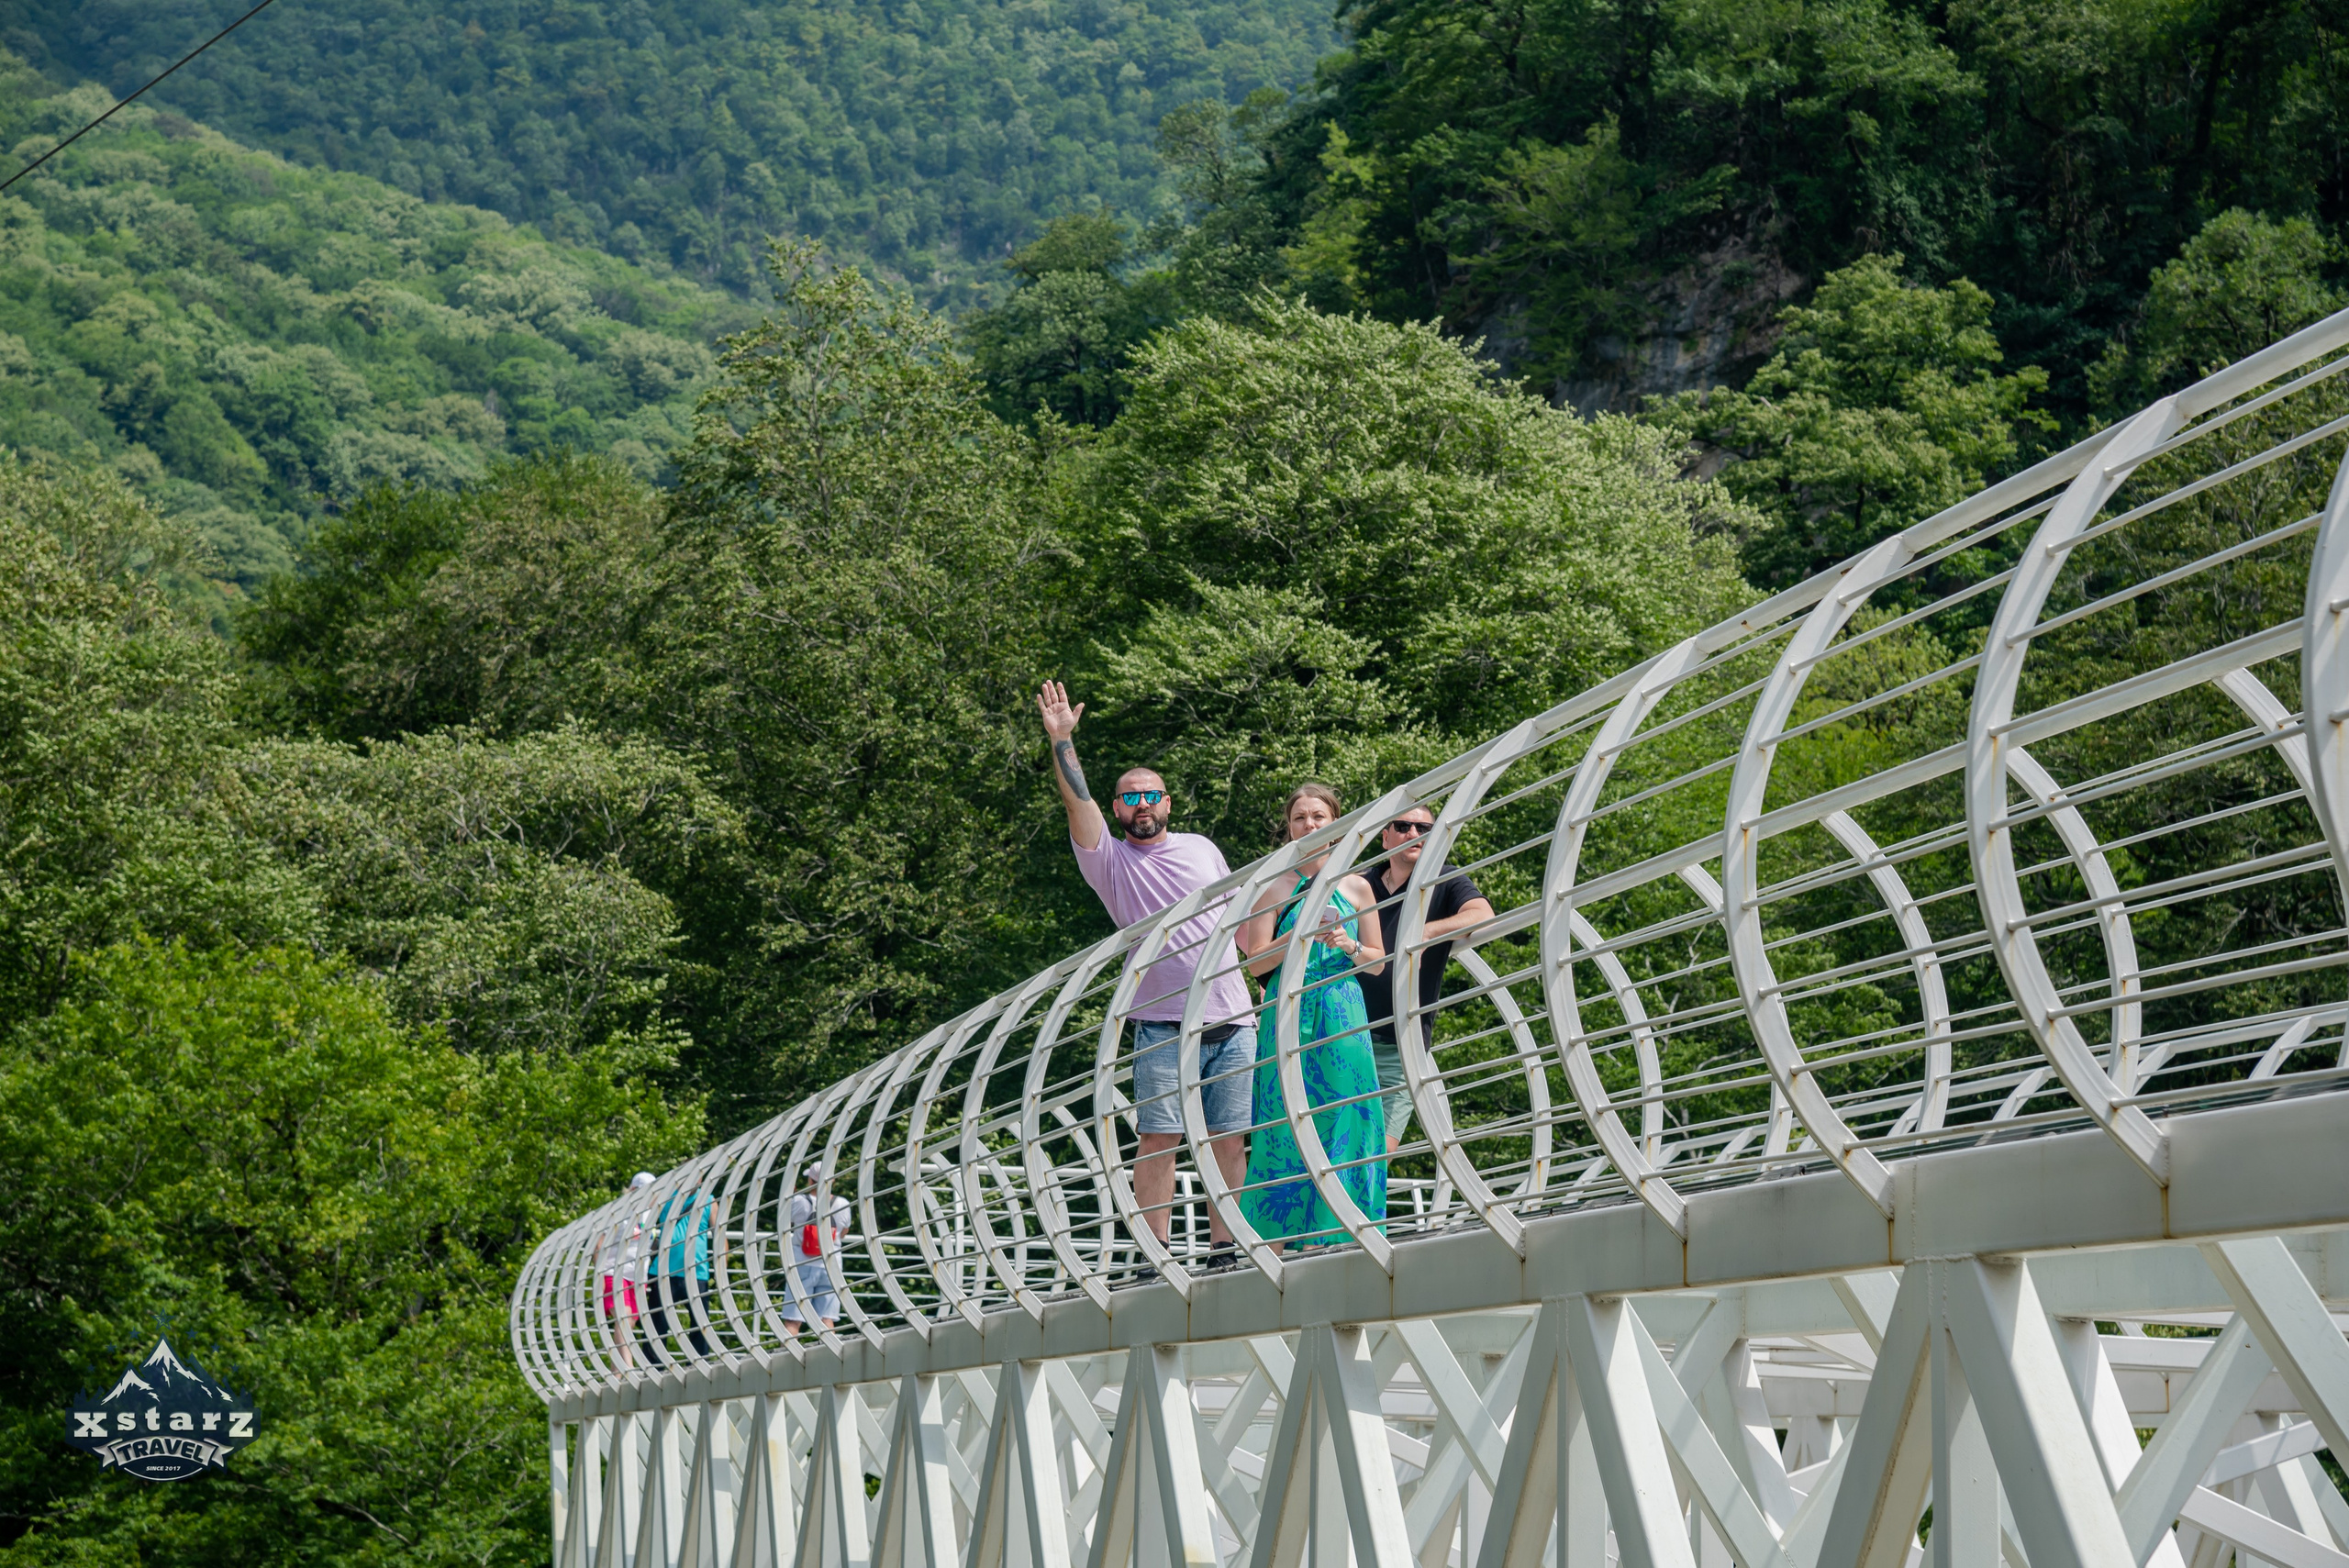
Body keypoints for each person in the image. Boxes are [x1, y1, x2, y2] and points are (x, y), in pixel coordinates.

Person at [1038, 680, 1256, 1268]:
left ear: (1167, 803)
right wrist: (1063, 743)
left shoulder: (1204, 847)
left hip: (1233, 1018)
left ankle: (1225, 1245)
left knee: (1229, 1137)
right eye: (1130, 798)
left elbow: (1240, 922)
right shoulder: (1108, 862)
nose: (1141, 805)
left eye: (1150, 796)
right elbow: (1076, 804)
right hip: (1161, 1022)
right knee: (1160, 1136)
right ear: (1117, 810)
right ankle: (1153, 1251)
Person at [1237, 782, 1388, 1247]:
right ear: (1288, 826)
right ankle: (1274, 1244)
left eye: (1319, 816)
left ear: (1336, 823)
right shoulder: (1274, 886)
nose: (1310, 824)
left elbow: (1379, 961)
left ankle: (1343, 1235)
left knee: (1348, 1115)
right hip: (1289, 1009)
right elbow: (1255, 962)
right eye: (1301, 817)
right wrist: (1297, 933)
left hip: (1342, 1009)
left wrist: (1350, 944)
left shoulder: (1359, 886)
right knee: (1284, 1119)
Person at [1357, 806, 1495, 1151]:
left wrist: (1424, 931)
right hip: (1347, 1034)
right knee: (1334, 1146)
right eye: (1402, 826)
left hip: (1401, 1043)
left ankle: (1359, 1208)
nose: (1413, 834)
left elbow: (1483, 915)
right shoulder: (1362, 884)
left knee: (1377, 1152)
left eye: (1423, 828)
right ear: (1385, 837)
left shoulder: (1444, 880)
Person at [784, 1166, 852, 1331]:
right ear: (832, 1180)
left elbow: (786, 1222)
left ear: (810, 1180)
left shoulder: (799, 1201)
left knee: (793, 1321)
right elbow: (843, 1233)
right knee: (827, 1319)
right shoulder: (842, 1203)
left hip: (802, 1264)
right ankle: (831, 1356)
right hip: (831, 1265)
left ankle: (790, 1356)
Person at [649, 1184, 712, 1360]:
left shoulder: (709, 1200)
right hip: (664, 1270)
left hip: (696, 1271)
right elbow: (645, 1209)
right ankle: (654, 1364)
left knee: (700, 1322)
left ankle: (699, 1361)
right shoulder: (667, 1197)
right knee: (658, 1321)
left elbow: (720, 1231)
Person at [600, 1172, 657, 1366]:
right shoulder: (618, 1213)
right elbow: (599, 1244)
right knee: (623, 1319)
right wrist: (599, 1275)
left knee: (630, 1322)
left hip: (637, 1276)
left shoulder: (650, 1215)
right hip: (614, 1272)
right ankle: (628, 1368)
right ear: (633, 1191)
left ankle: (617, 1368)